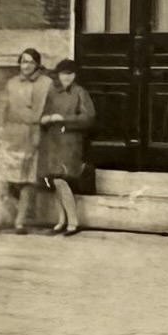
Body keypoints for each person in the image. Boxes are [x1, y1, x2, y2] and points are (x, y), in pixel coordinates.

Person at [0, 48, 52, 234]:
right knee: (3, 180)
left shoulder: (47, 84)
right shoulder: (12, 83)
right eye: (23, 62)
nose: (26, 66)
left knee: (27, 181)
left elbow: (52, 107)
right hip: (12, 135)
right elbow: (3, 109)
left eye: (30, 62)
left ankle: (20, 222)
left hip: (33, 135)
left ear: (38, 64)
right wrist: (1, 130)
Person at [39, 58, 97, 237]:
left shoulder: (80, 92)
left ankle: (73, 222)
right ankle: (61, 220)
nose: (67, 77)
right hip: (53, 141)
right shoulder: (52, 92)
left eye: (71, 74)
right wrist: (46, 119)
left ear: (75, 75)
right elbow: (43, 112)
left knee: (61, 180)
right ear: (58, 74)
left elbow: (89, 117)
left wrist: (65, 120)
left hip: (71, 142)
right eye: (64, 74)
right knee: (54, 181)